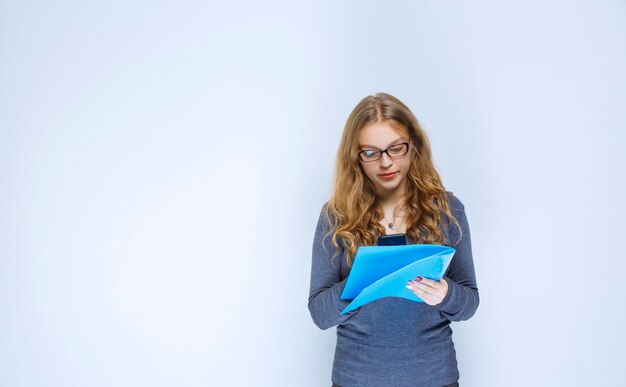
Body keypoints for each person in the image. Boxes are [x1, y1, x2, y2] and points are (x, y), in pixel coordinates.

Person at [308, 93, 479, 387]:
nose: (386, 162)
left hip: (434, 377)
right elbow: (319, 314)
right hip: (356, 379)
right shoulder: (336, 215)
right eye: (371, 152)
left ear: (414, 146)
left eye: (396, 148)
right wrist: (363, 283)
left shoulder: (448, 209)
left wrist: (445, 294)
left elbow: (469, 303)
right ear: (356, 157)